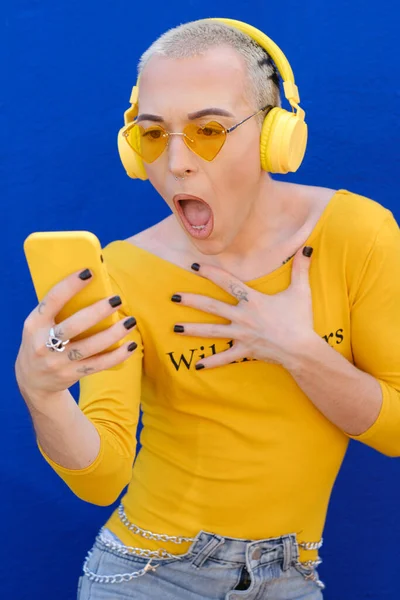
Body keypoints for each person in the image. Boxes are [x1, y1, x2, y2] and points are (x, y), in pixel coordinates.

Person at [15, 17, 400, 600]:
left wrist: (298, 351)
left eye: (210, 130)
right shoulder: (126, 269)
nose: (177, 164)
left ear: (276, 136)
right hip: (144, 575)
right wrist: (42, 396)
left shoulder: (358, 234)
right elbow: (102, 476)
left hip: (290, 577)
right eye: (152, 135)